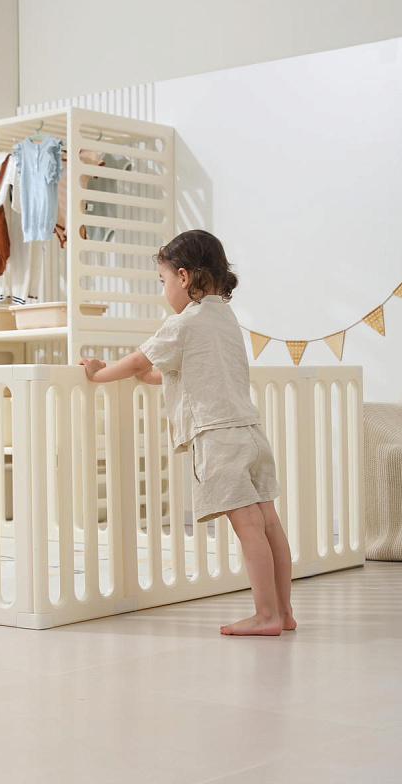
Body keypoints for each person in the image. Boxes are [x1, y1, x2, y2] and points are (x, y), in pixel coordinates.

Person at [79, 229, 296, 636]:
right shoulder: (226, 319)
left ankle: (265, 615)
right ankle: (283, 612)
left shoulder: (182, 323)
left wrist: (99, 374)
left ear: (182, 277)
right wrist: (148, 377)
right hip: (250, 431)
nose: (163, 290)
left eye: (162, 280)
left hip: (218, 437)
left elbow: (138, 360)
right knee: (269, 522)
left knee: (248, 526)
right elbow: (188, 372)